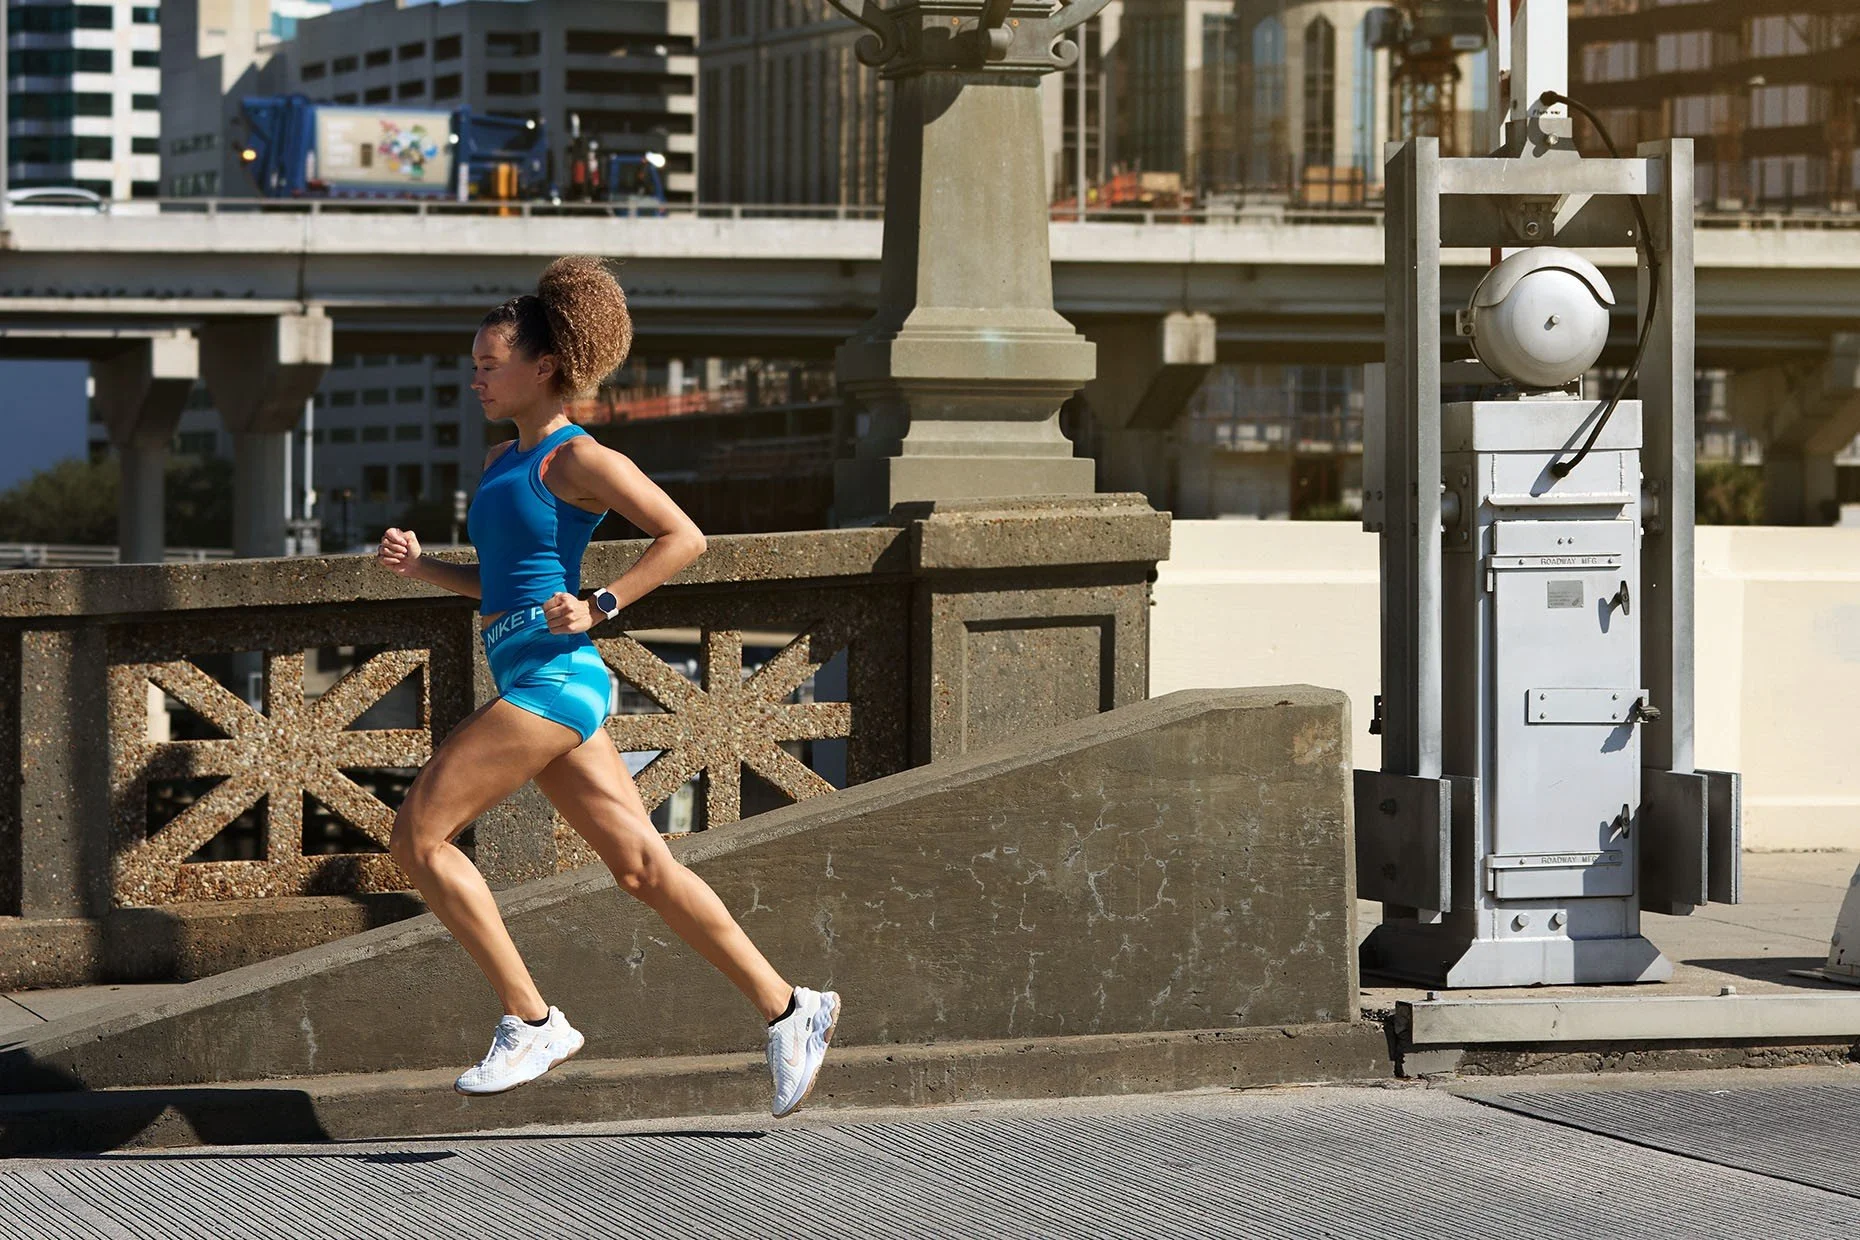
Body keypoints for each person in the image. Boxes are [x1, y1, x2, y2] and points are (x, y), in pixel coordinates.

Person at [374, 254, 839, 1116]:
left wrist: (600, 603)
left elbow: (682, 535)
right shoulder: (503, 461)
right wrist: (425, 568)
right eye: (474, 364)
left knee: (420, 839)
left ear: (542, 368)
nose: (475, 377)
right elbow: (507, 582)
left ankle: (531, 1018)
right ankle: (791, 1008)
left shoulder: (575, 456)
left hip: (557, 681)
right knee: (642, 868)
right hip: (534, 669)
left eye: (489, 364)